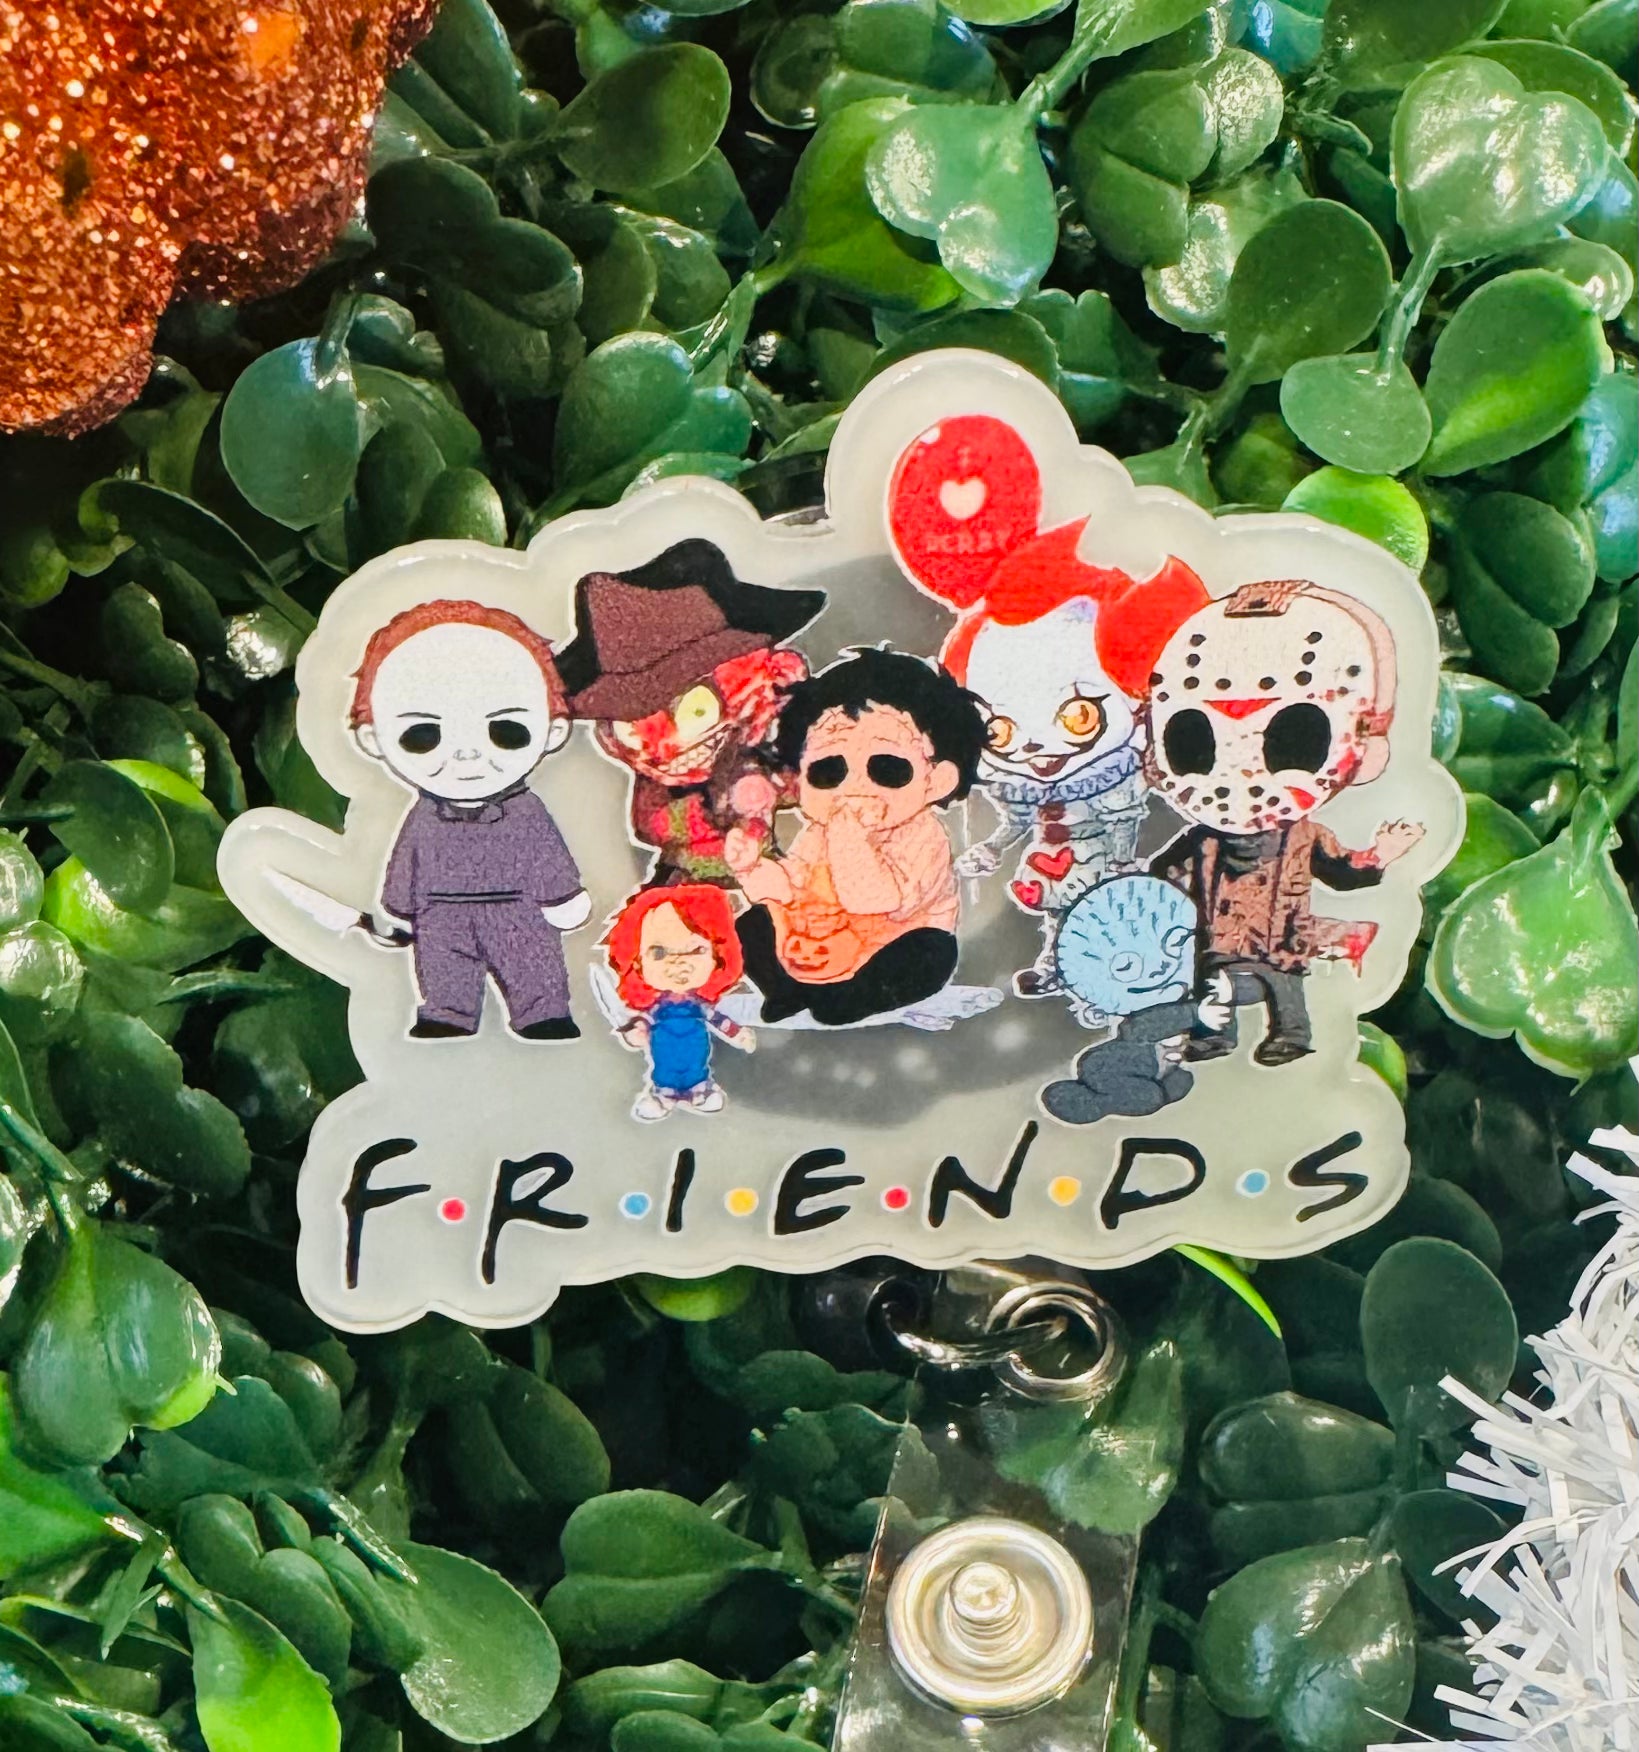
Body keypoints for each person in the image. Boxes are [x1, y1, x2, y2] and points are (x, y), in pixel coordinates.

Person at [887, 413, 1210, 1000]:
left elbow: (1126, 819)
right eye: (1000, 732)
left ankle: (1118, 981)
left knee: (1107, 916)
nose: (1037, 746)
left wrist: (1121, 860)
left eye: (1078, 718)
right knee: (1062, 910)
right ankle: (1061, 966)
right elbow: (1015, 822)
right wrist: (989, 848)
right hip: (1050, 856)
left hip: (1101, 861)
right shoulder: (1020, 786)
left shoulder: (1120, 772)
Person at [1145, 579, 1424, 1066]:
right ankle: (1213, 1037)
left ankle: (1289, 1036)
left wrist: (1380, 855)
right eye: (1194, 738)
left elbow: (1340, 870)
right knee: (1215, 987)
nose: (1241, 766)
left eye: (1293, 738)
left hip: (1282, 939)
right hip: (1219, 940)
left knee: (1284, 990)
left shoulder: (1303, 835)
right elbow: (1163, 873)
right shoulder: (1205, 839)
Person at [351, 600, 590, 1040]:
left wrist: (563, 896)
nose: (466, 755)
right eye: (423, 735)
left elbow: (546, 854)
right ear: (373, 739)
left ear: (553, 730)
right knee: (443, 969)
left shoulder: (526, 811)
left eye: (506, 731)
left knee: (531, 963)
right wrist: (398, 908)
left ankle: (542, 1011)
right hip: (440, 914)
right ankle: (447, 1012)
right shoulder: (422, 816)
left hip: (517, 910)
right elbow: (406, 861)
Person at [725, 647, 986, 1026]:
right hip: (815, 938)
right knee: (753, 924)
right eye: (829, 771)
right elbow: (791, 887)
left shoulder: (924, 836)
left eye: (887, 769)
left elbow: (871, 901)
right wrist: (752, 869)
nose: (854, 788)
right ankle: (787, 990)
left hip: (888, 942)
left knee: (928, 954)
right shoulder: (819, 831)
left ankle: (849, 999)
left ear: (937, 780)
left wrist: (850, 837)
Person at [556, 539, 825, 884]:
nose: (669, 744)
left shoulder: (766, 740)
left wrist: (768, 789)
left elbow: (800, 782)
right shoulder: (661, 785)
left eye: (696, 709)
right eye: (634, 729)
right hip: (690, 879)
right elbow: (653, 823)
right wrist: (717, 808)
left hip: (773, 874)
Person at [603, 884, 755, 1120]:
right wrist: (636, 1032)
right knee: (666, 1072)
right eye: (659, 953)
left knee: (695, 1069)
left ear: (718, 956)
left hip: (695, 1051)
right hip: (664, 1051)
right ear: (636, 962)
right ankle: (663, 1097)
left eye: (697, 950)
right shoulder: (656, 1008)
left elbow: (718, 1020)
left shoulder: (699, 1005)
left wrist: (738, 1033)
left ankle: (700, 1092)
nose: (678, 963)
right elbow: (642, 1023)